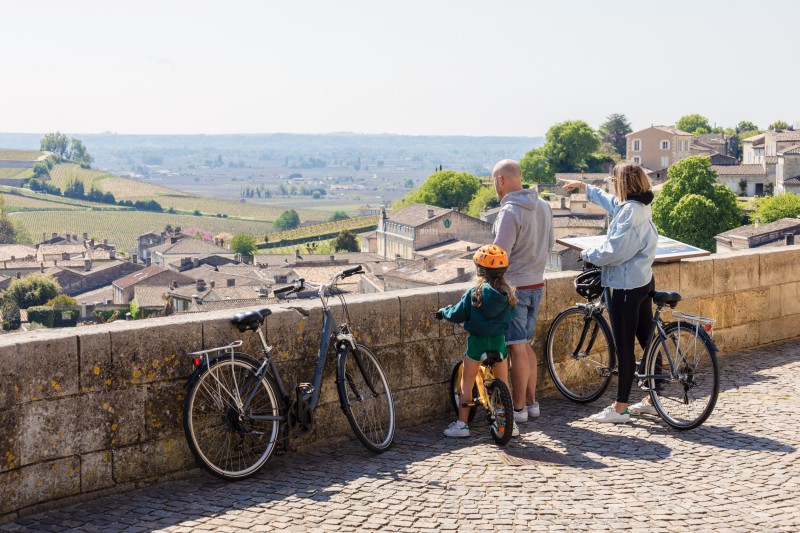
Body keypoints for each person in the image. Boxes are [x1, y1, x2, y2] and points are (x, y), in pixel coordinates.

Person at [557, 162, 659, 423]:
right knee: (648, 340)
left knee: (624, 347)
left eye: (615, 181)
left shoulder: (630, 213)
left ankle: (620, 407)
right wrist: (585, 188)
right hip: (643, 281)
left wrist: (586, 254)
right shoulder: (640, 206)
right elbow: (614, 203)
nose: (613, 185)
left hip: (626, 286)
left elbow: (614, 251)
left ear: (623, 183)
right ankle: (652, 398)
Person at [491, 159, 554, 424]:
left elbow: (498, 255)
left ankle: (517, 408)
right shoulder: (544, 206)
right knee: (525, 344)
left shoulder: (510, 212)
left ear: (501, 180)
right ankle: (531, 402)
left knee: (516, 348)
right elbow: (550, 244)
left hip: (514, 287)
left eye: (494, 181)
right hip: (537, 283)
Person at [437, 244, 518, 438]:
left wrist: (444, 313)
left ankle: (462, 424)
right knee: (503, 383)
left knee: (467, 383)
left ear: (479, 270)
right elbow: (512, 315)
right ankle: (510, 423)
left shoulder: (474, 293)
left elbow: (457, 313)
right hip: (499, 342)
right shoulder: (508, 295)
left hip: (477, 343)